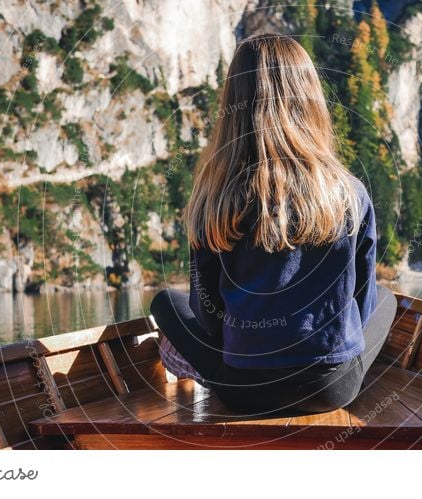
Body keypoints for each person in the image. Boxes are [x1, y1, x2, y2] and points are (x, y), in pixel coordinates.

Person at [150, 33, 396, 415]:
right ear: (309, 99)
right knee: (388, 300)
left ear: (235, 104)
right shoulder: (349, 193)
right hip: (332, 387)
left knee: (165, 302)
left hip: (245, 391)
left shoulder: (213, 199)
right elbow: (362, 308)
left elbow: (209, 317)